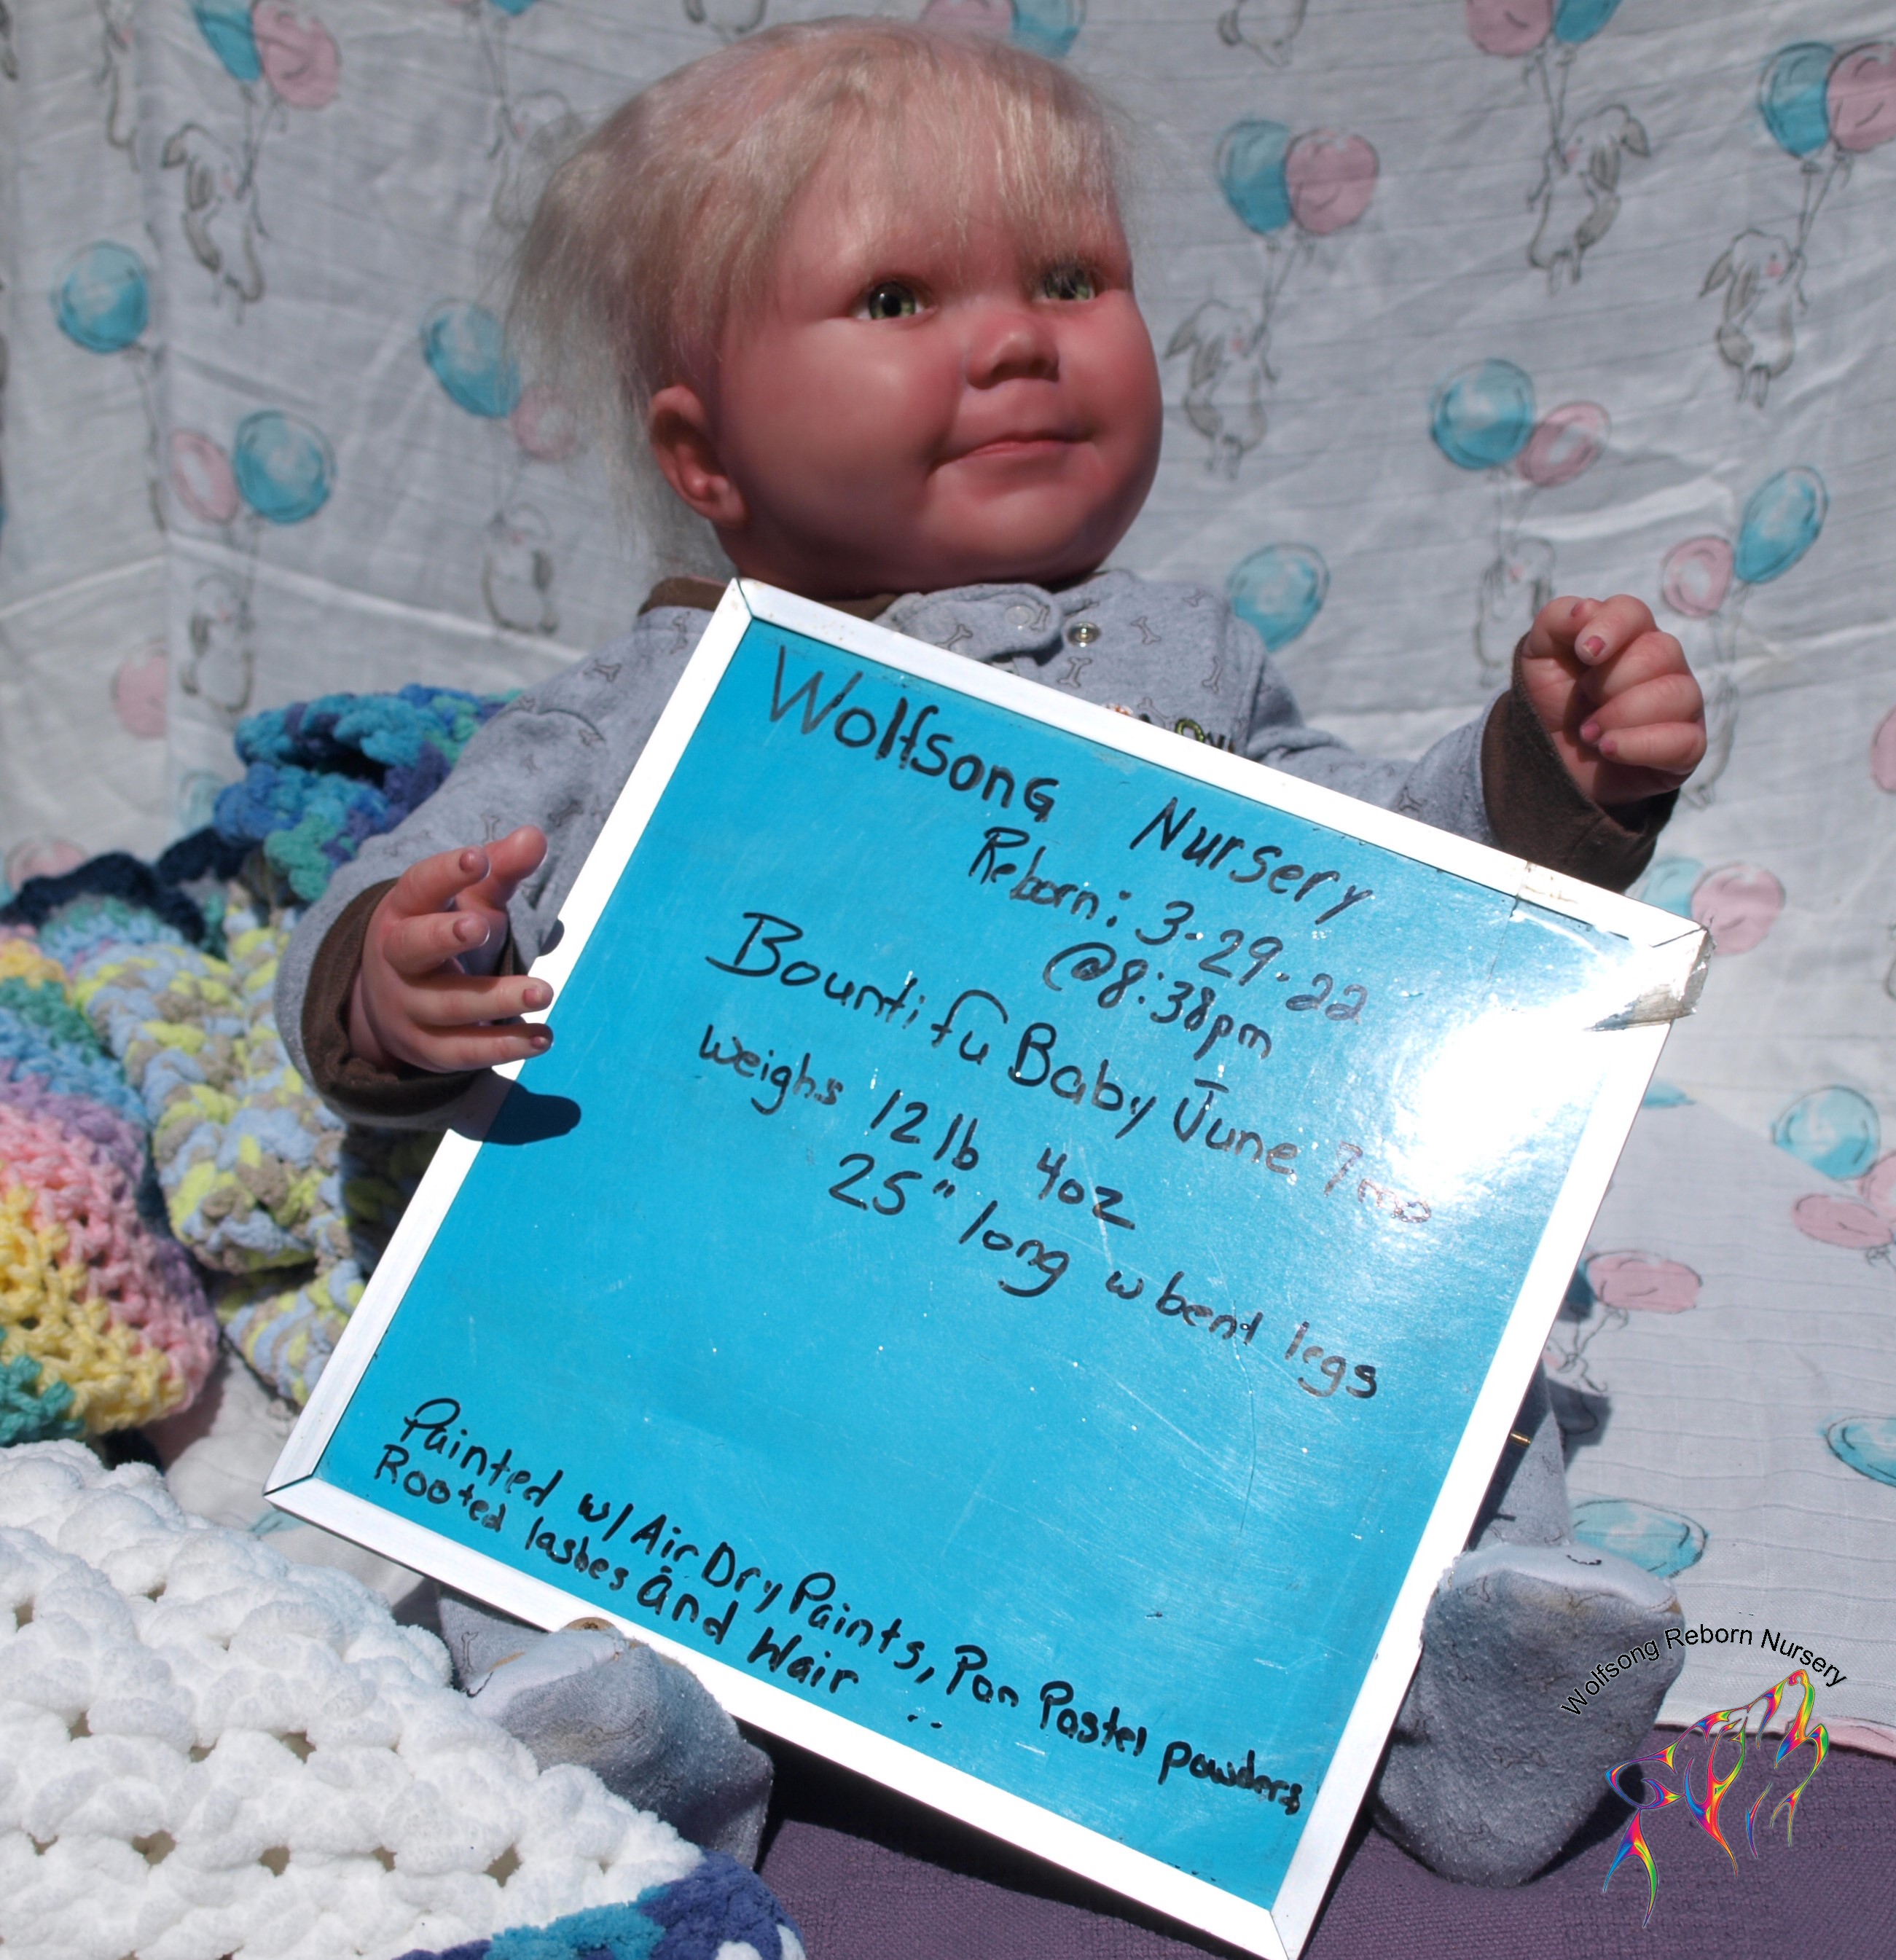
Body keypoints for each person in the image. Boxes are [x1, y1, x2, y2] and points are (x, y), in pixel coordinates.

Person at [275, 18, 1701, 1889]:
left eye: (1071, 278)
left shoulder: (1185, 665)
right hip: (752, 1314)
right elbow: (400, 886)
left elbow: (1381, 889)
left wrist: (1541, 779)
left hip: (1151, 1287)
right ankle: (627, 1730)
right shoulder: (646, 700)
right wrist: (393, 972)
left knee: (1435, 1297)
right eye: (896, 296)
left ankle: (1476, 1693)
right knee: (527, 1381)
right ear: (702, 453)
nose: (1022, 339)